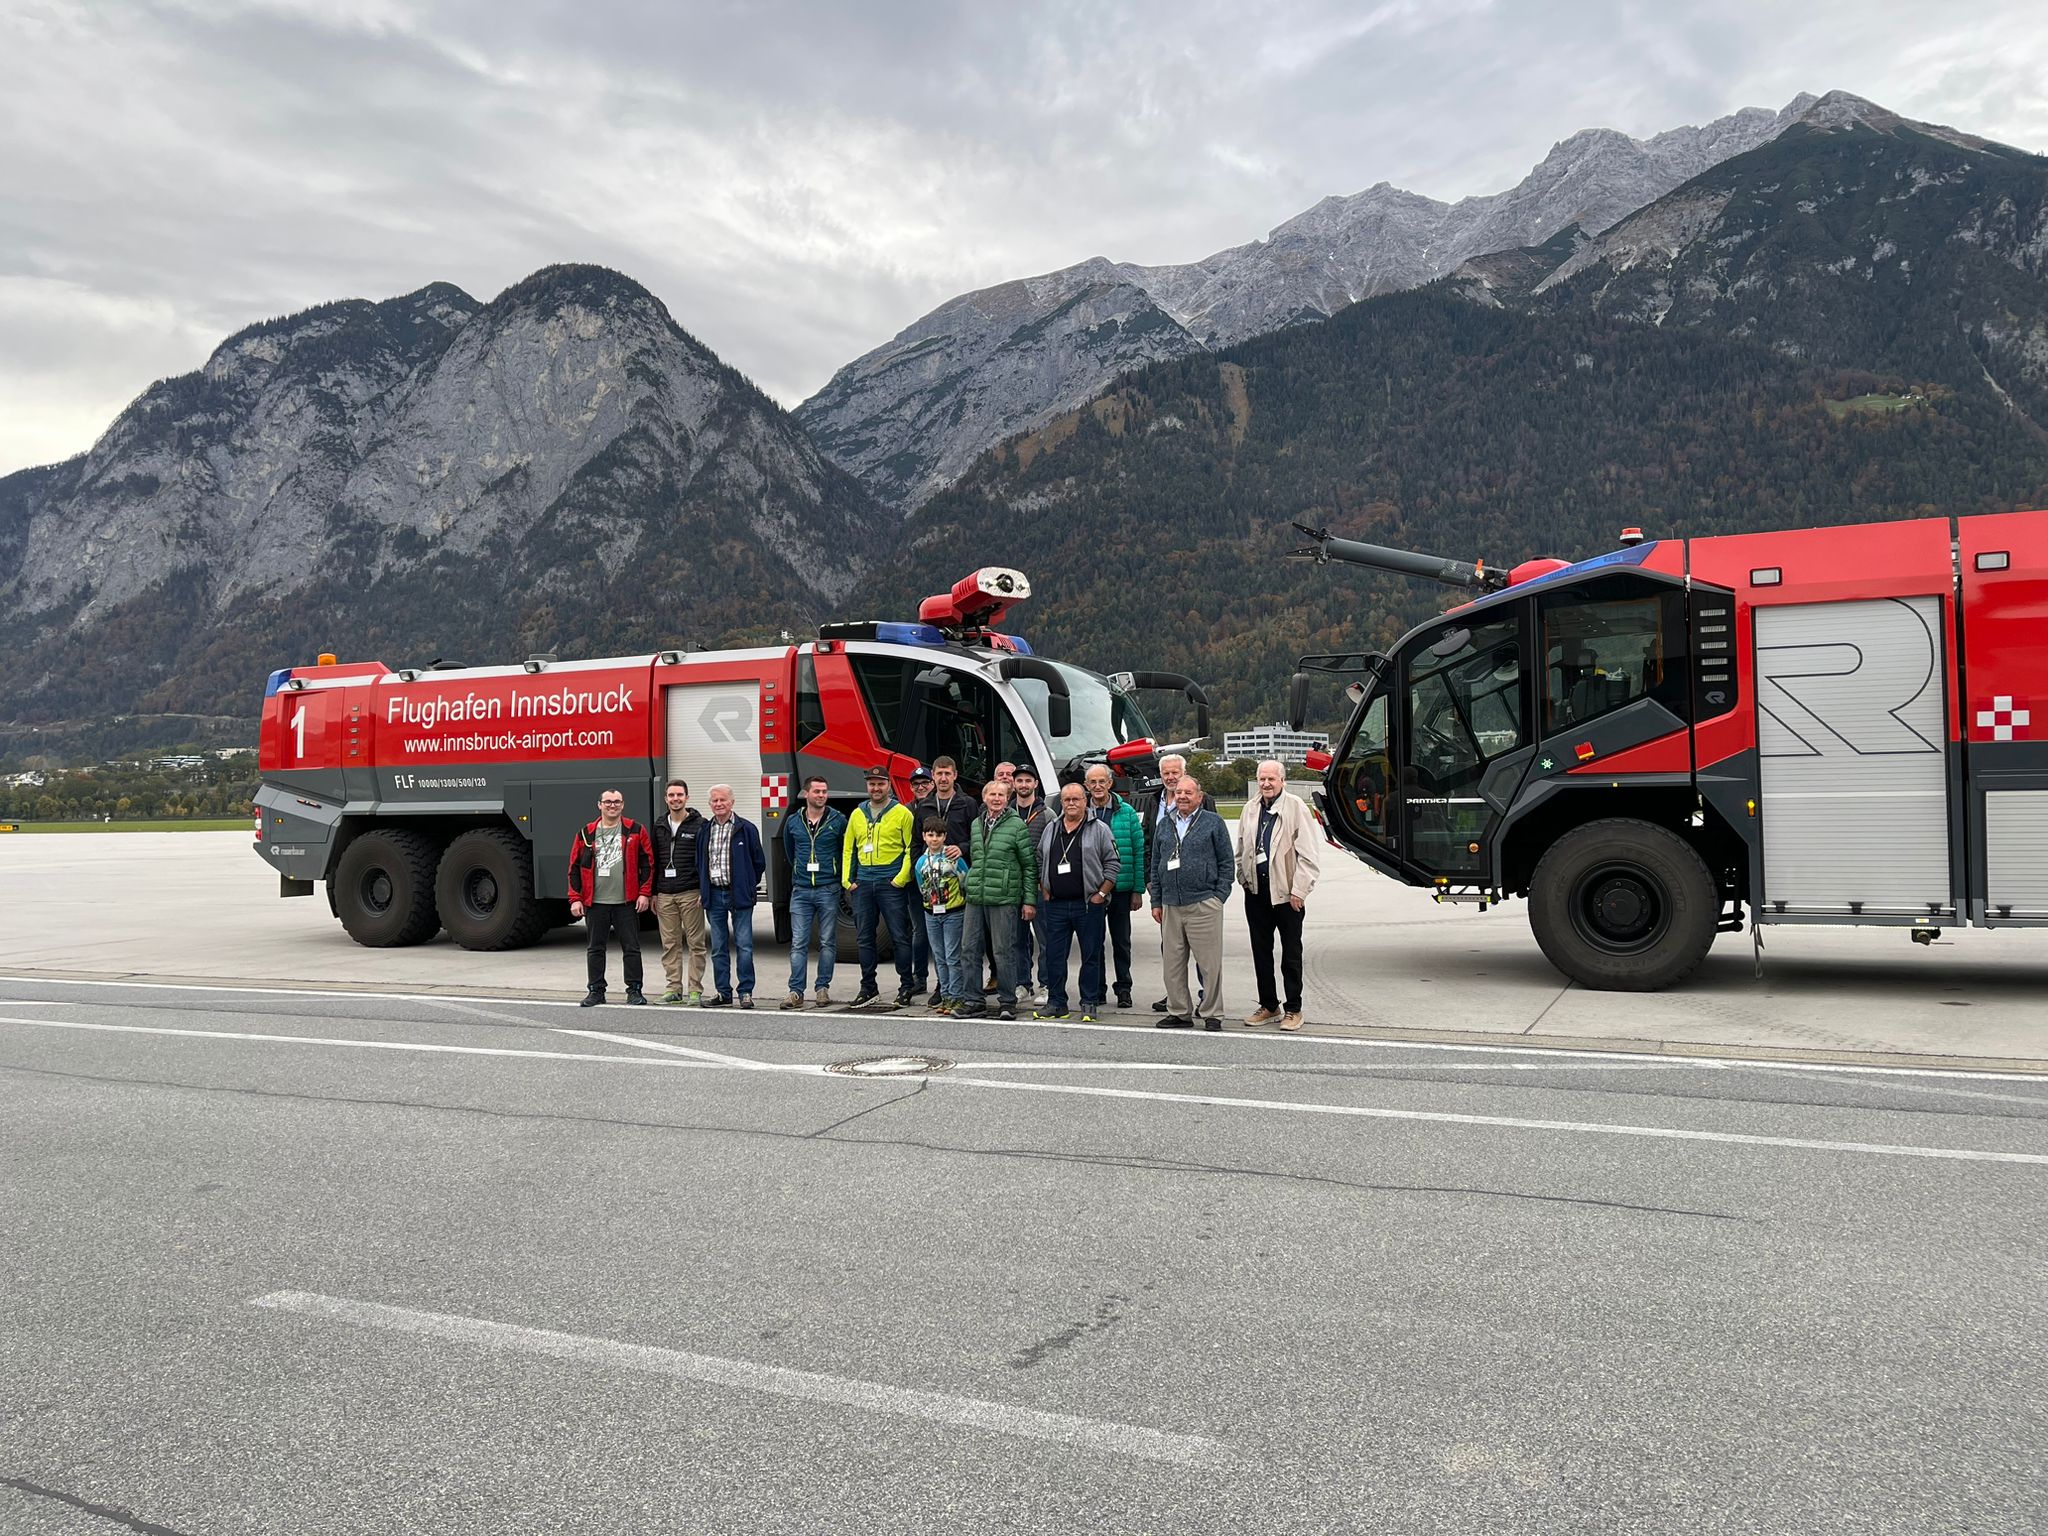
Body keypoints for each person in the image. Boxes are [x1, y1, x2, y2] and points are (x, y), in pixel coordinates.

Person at [1236, 760, 1322, 1031]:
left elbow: (1309, 855)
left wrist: (1299, 890)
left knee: (1291, 953)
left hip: (1287, 895)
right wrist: (1243, 878)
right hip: (1256, 893)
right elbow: (1241, 848)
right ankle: (1269, 1004)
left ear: (1282, 780)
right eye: (1262, 779)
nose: (1266, 784)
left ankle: (1293, 1009)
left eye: (1272, 779)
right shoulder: (1250, 808)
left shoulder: (1296, 807)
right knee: (1260, 951)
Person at [1150, 774, 1234, 1031]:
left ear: (1199, 796)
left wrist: (1218, 897)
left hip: (1203, 903)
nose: (1183, 796)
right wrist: (1156, 900)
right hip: (1171, 905)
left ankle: (1212, 1013)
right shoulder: (1165, 824)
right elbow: (1155, 864)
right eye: (1179, 793)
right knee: (1172, 964)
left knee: (1209, 964)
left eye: (1189, 792)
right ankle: (1179, 1012)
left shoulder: (1213, 823)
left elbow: (1227, 862)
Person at [1035, 781, 1119, 1022]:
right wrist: (1045, 887)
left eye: (1076, 799)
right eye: (1067, 800)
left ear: (1086, 801)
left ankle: (1089, 1002)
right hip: (1056, 904)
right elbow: (1040, 858)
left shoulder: (1100, 829)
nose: (1071, 803)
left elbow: (1113, 863)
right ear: (1061, 803)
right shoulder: (1051, 828)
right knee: (1054, 955)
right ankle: (1057, 1003)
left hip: (1088, 904)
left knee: (1091, 955)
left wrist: (1101, 894)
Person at [954, 779, 1036, 1022]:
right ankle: (973, 1001)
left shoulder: (1017, 826)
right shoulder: (976, 825)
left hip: (1004, 897)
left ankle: (1007, 1002)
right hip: (976, 897)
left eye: (1001, 794)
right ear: (985, 797)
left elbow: (1029, 866)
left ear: (1007, 797)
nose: (997, 798)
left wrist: (1029, 900)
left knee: (1003, 952)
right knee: (969, 950)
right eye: (993, 794)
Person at [1141, 754, 1216, 1014]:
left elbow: (1217, 848)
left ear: (1184, 773)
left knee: (1203, 952)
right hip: (1167, 891)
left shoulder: (1203, 801)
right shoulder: (1154, 802)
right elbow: (1148, 842)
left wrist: (1218, 892)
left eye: (1175, 773)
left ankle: (1207, 997)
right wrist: (1150, 881)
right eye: (1166, 774)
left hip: (1200, 893)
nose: (1171, 778)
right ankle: (1175, 997)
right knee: (1172, 950)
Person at [567, 788, 653, 1007]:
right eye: (608, 802)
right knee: (595, 949)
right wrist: (575, 898)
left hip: (626, 902)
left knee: (631, 948)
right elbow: (574, 868)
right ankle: (596, 991)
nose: (612, 805)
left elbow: (648, 864)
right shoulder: (586, 833)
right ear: (599, 805)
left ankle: (634, 990)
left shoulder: (635, 830)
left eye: (616, 802)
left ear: (623, 805)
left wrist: (644, 893)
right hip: (595, 903)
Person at [843, 765, 917, 1006]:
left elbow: (910, 848)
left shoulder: (902, 813)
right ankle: (868, 988)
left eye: (880, 783)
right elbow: (848, 848)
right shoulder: (857, 813)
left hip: (890, 882)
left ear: (889, 785)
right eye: (872, 784)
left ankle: (906, 986)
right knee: (864, 938)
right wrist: (848, 880)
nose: (876, 788)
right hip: (863, 883)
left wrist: (901, 878)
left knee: (899, 937)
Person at [697, 783, 765, 1008]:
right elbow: (700, 862)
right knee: (718, 948)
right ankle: (723, 993)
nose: (718, 804)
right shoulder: (705, 830)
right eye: (714, 801)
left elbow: (758, 862)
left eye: (723, 800)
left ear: (732, 802)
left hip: (739, 896)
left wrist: (746, 886)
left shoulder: (747, 829)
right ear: (710, 804)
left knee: (744, 946)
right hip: (714, 895)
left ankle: (745, 992)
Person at [1084, 763, 1146, 1009]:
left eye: (1102, 782)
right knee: (1093, 941)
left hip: (1120, 888)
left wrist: (1137, 889)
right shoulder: (1082, 810)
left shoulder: (1127, 812)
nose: (1097, 787)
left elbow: (1139, 849)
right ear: (1087, 786)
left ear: (1110, 783)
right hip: (1091, 889)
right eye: (1092, 783)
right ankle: (1097, 989)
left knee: (1121, 941)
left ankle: (1123, 988)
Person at [781, 775, 846, 1009]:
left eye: (824, 791)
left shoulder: (838, 820)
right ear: (806, 794)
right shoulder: (793, 821)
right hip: (801, 890)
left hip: (828, 888)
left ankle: (822, 989)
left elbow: (844, 850)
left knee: (827, 941)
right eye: (817, 791)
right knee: (798, 942)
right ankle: (796, 992)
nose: (821, 795)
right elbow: (790, 851)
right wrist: (800, 871)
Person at [649, 779, 709, 1005]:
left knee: (696, 943)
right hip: (665, 894)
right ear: (666, 799)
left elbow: (705, 860)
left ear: (687, 797)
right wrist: (654, 892)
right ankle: (673, 989)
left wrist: (704, 890)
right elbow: (653, 861)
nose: (676, 799)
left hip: (690, 893)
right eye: (671, 795)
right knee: (670, 944)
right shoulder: (659, 826)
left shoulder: (700, 824)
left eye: (679, 795)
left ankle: (695, 990)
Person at [1006, 764, 1055, 1000]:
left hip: (1039, 887)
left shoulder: (1048, 814)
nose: (1023, 784)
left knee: (1046, 939)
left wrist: (1047, 884)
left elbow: (1055, 852)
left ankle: (1046, 984)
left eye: (1028, 780)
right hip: (1013, 886)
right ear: (1013, 784)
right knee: (1017, 939)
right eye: (1019, 780)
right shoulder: (1006, 813)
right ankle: (1022, 984)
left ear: (1036, 784)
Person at [914, 816, 970, 1014]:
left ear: (945, 836)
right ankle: (945, 996)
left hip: (953, 913)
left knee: (953, 956)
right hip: (931, 913)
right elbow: (921, 885)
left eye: (938, 835)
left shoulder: (954, 858)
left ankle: (957, 997)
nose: (934, 839)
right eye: (930, 835)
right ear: (924, 837)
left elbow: (965, 881)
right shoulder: (921, 862)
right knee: (939, 956)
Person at [905, 763, 938, 999]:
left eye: (925, 783)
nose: (920, 787)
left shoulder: (936, 808)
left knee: (938, 933)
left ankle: (941, 982)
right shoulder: (905, 811)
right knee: (919, 932)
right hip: (915, 880)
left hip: (938, 881)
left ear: (932, 784)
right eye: (916, 784)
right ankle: (920, 978)